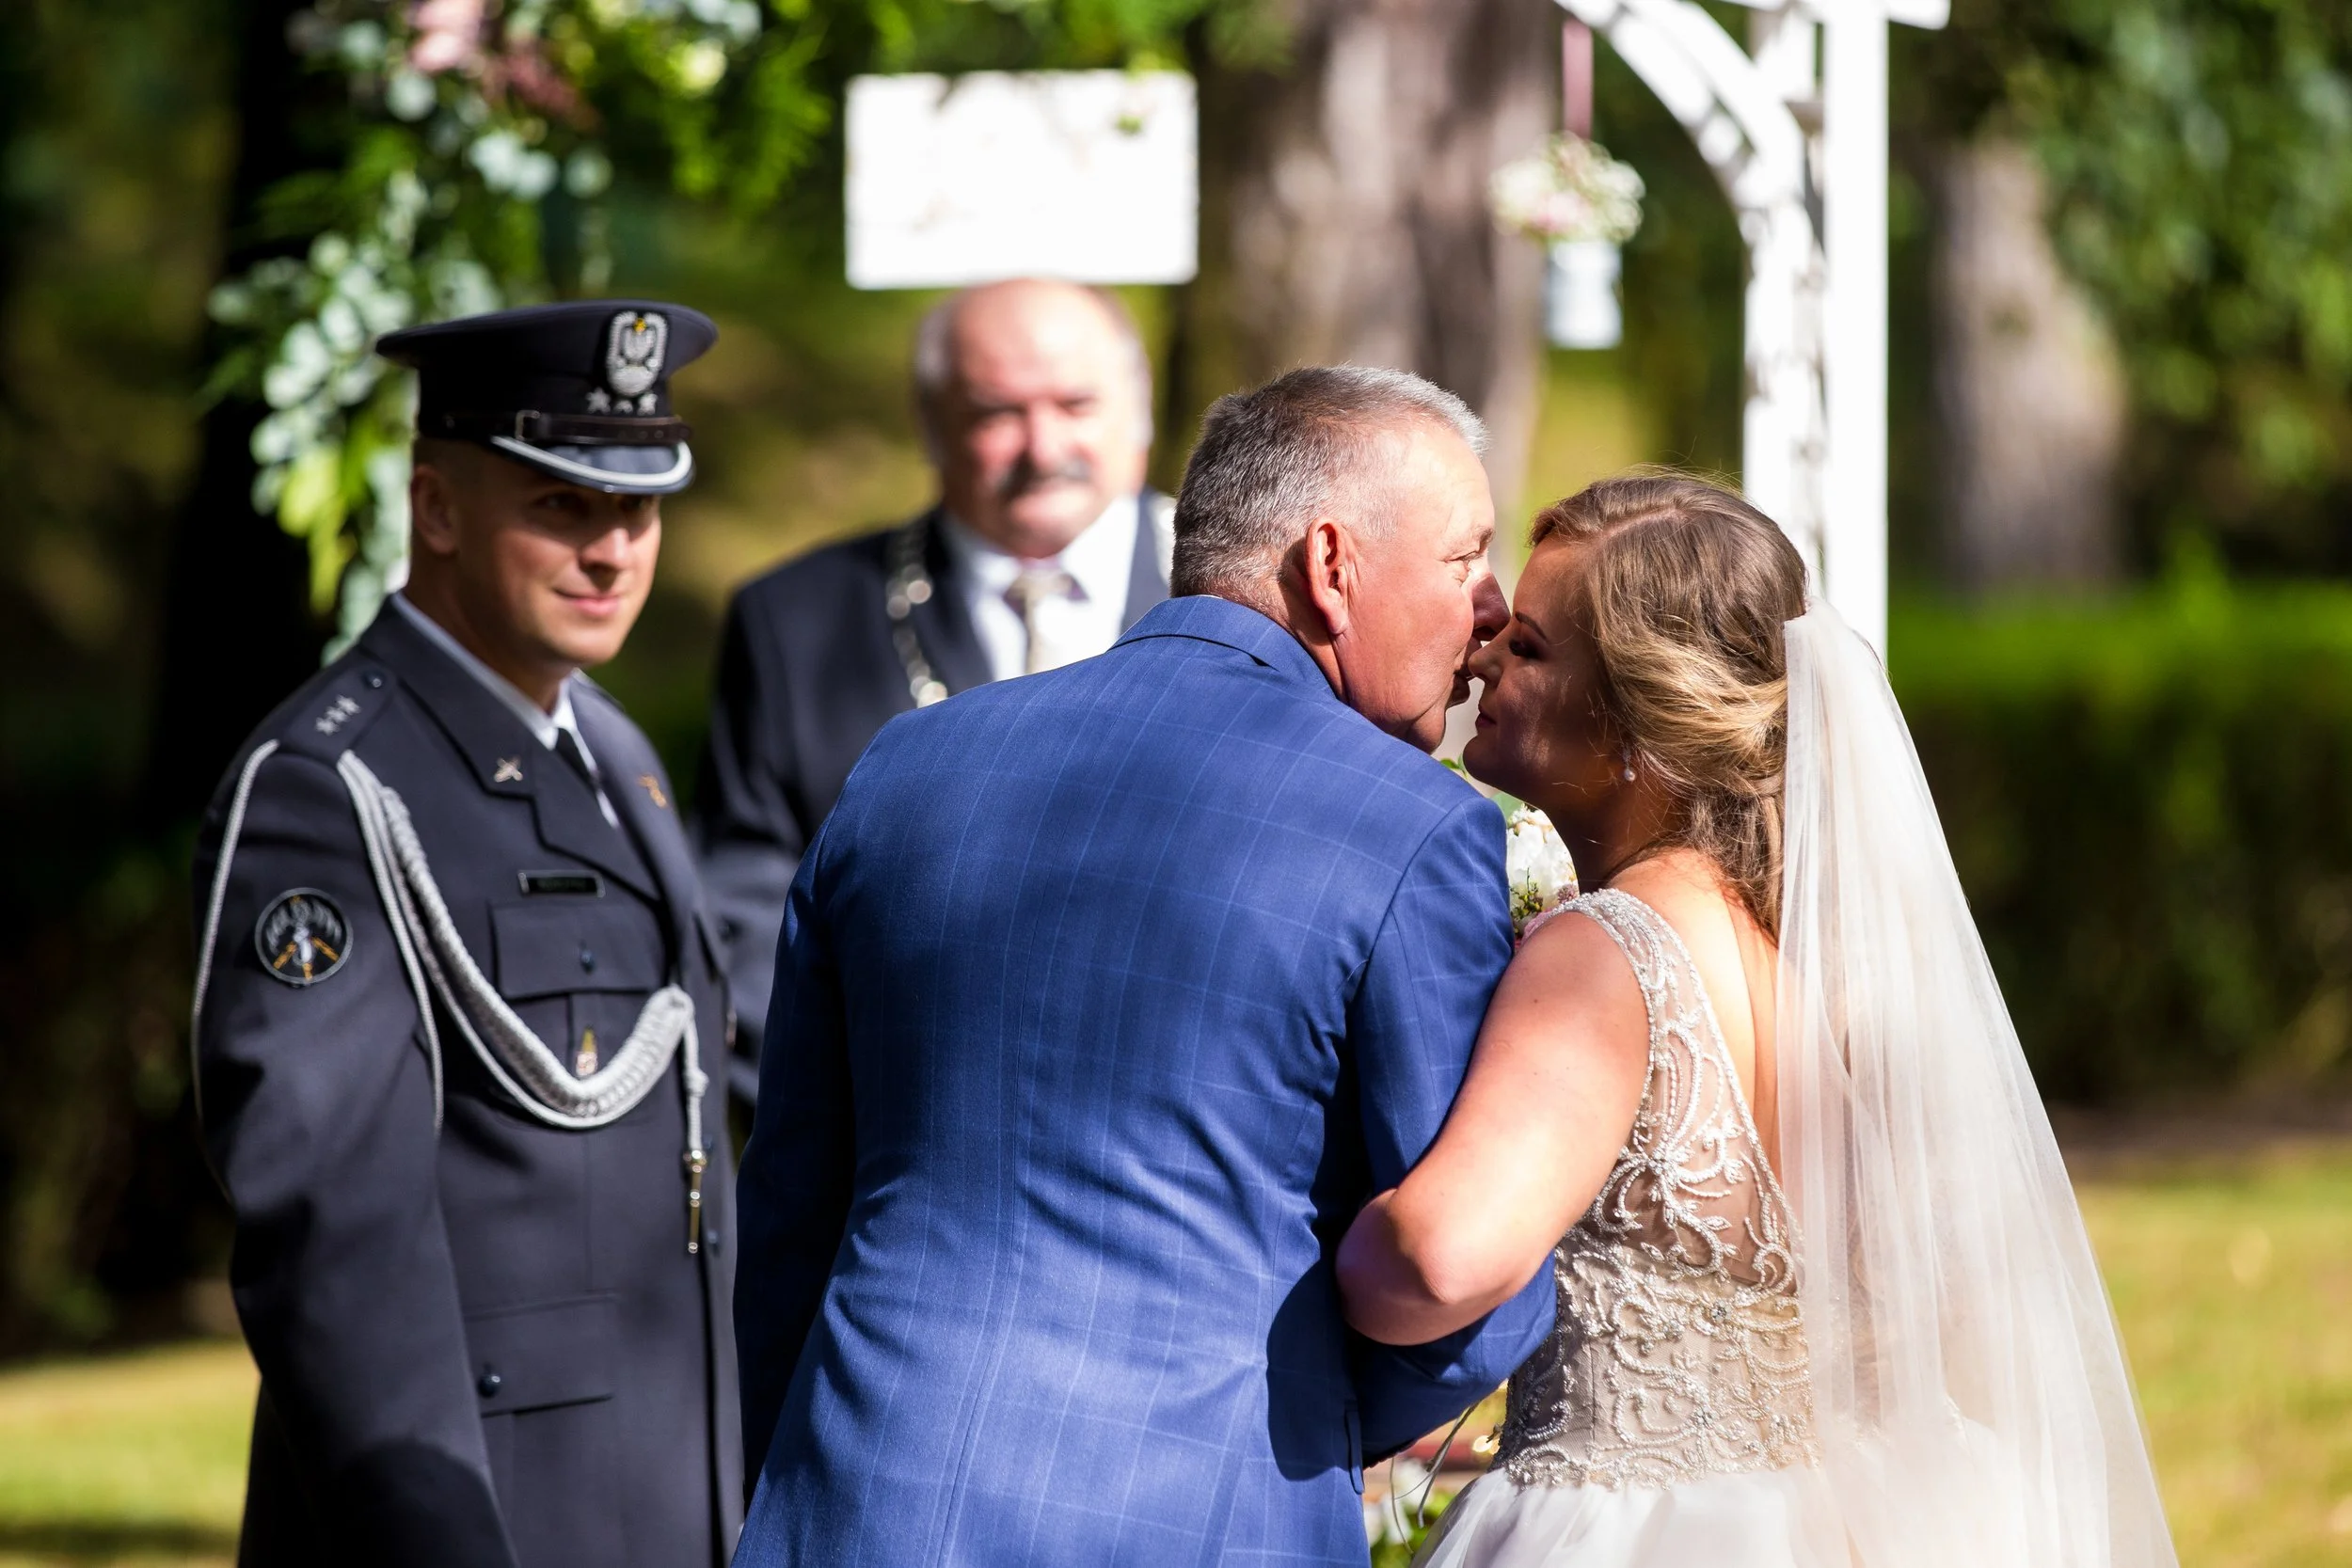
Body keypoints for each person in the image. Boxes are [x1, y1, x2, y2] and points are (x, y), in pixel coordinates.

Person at [730, 366, 1557, 1566]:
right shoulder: (1407, 826)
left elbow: (792, 1205)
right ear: (1332, 567)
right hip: (1197, 1508)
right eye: (1462, 555)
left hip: (858, 1494)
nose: (1487, 606)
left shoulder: (906, 764)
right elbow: (1457, 1291)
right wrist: (1306, 1419)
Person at [1335, 472, 2178, 1568]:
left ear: (1636, 711)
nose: (1486, 656)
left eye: (1534, 648)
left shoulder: (1605, 951)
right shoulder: (1819, 960)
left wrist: (1303, 1244)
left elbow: (1439, 1260)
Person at [189, 301, 743, 1568]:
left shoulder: (610, 747)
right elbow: (339, 1249)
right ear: (436, 509)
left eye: (639, 510)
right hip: (485, 1507)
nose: (613, 551)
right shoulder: (328, 789)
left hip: (667, 1493)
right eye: (561, 505)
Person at [692, 278, 1172, 1077]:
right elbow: (745, 912)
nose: (1043, 447)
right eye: (997, 413)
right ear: (931, 426)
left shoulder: (1250, 595)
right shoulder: (797, 623)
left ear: (1140, 412)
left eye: (1075, 404)